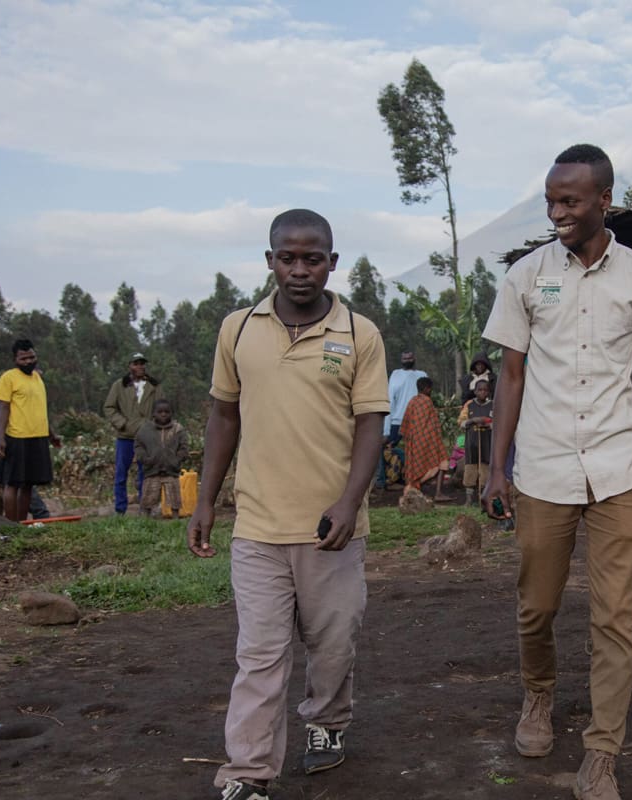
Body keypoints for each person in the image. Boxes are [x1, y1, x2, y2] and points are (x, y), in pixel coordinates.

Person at [481, 143, 632, 800]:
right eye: (550, 201)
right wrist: (498, 468)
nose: (556, 212)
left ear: (604, 200)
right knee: (536, 605)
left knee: (616, 617)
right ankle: (538, 695)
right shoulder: (527, 276)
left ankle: (602, 751)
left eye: (569, 200)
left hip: (618, 470)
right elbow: (511, 375)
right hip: (542, 467)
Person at [187, 209, 388, 800]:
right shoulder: (238, 330)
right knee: (260, 653)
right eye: (288, 258)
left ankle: (327, 720)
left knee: (333, 644)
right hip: (257, 525)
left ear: (332, 262)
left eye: (312, 259)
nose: (300, 270)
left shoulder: (359, 334)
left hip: (331, 528)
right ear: (270, 260)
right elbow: (224, 416)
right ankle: (248, 772)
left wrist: (349, 502)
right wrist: (205, 500)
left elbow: (370, 424)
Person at [0, 339, 62, 522]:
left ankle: (23, 524)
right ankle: (10, 527)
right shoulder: (9, 378)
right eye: (23, 359)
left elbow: (40, 410)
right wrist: (1, 438)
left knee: (28, 485)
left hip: (38, 437)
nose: (28, 361)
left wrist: (51, 435)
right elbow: (4, 408)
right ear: (15, 360)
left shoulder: (37, 378)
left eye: (31, 357)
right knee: (12, 484)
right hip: (17, 437)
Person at [104, 353, 163, 515]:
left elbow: (161, 407)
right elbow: (109, 407)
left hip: (147, 436)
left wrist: (155, 426)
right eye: (136, 364)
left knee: (147, 473)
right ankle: (120, 509)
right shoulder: (119, 385)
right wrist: (122, 423)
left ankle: (145, 508)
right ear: (130, 366)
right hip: (125, 436)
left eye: (142, 364)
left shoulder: (154, 386)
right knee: (121, 473)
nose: (140, 367)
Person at [0, 398, 50, 519]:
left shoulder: (17, 396)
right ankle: (39, 514)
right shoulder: (11, 397)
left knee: (18, 480)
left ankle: (23, 518)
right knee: (17, 479)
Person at [379, 351, 427, 488]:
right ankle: (381, 481)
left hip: (417, 420)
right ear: (401, 360)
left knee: (417, 451)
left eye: (409, 358)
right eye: (404, 358)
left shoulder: (422, 375)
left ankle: (413, 480)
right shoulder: (396, 374)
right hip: (397, 420)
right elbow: (390, 400)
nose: (407, 360)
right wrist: (386, 429)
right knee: (385, 447)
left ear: (414, 359)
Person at [134, 398, 189, 519]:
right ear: (154, 413)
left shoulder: (178, 429)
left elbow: (184, 447)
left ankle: (175, 519)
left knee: (174, 497)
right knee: (148, 497)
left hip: (171, 470)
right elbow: (138, 445)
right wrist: (145, 458)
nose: (163, 414)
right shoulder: (145, 430)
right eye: (160, 412)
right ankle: (145, 520)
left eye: (166, 412)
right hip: (152, 470)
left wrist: (177, 460)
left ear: (171, 413)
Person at [400, 376, 450, 500]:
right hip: (428, 441)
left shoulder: (412, 401)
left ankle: (415, 489)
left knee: (419, 467)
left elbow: (405, 423)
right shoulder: (427, 401)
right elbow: (433, 424)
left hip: (414, 442)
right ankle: (437, 493)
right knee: (443, 462)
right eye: (431, 389)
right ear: (428, 389)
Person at [458, 377, 493, 505]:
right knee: (470, 469)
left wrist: (488, 425)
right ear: (475, 391)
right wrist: (473, 420)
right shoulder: (469, 405)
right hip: (472, 443)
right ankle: (469, 499)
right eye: (480, 390)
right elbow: (461, 422)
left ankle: (482, 497)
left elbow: (499, 423)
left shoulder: (493, 405)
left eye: (485, 390)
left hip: (487, 443)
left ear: (488, 392)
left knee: (485, 469)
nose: (482, 392)